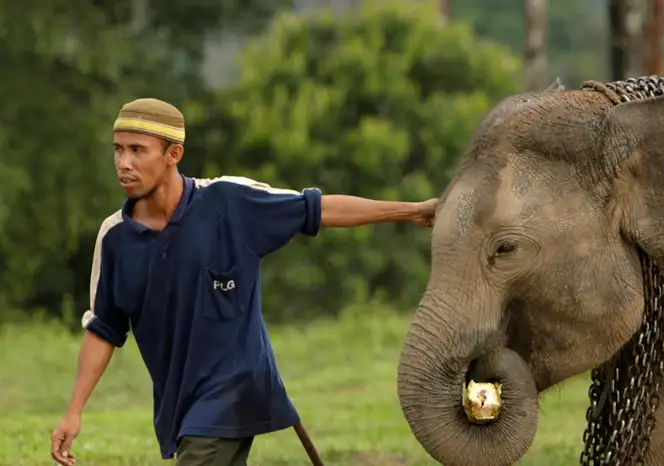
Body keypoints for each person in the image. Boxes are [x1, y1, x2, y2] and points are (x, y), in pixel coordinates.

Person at [49, 98, 439, 466]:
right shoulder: (114, 238)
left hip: (233, 389)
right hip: (179, 401)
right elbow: (104, 330)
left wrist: (412, 210)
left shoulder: (229, 202)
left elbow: (320, 209)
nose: (124, 163)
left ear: (173, 154)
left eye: (138, 150)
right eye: (118, 150)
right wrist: (73, 412)